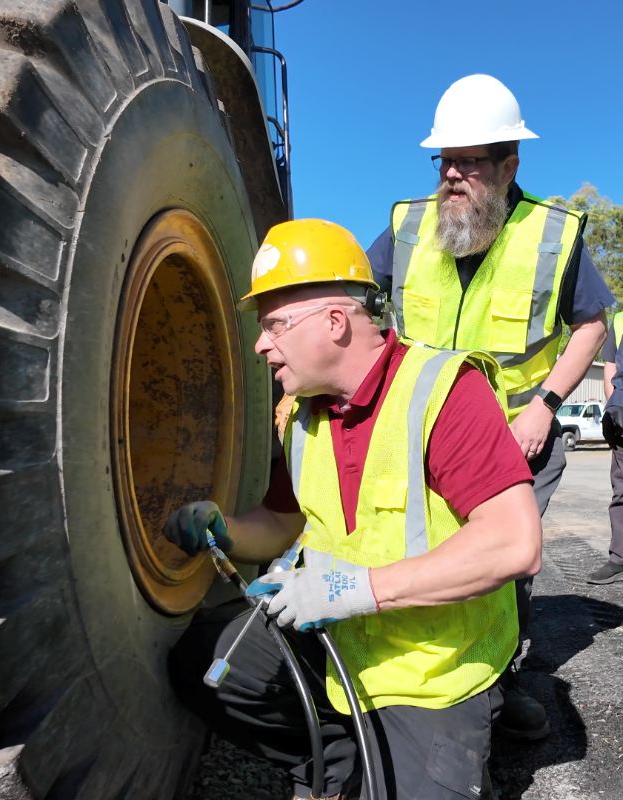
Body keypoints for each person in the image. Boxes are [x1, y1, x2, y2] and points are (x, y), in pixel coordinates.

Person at [166, 219, 542, 800]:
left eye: (273, 325)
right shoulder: (298, 414)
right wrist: (226, 529)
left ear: (335, 322)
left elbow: (514, 543)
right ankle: (337, 764)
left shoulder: (444, 391)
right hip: (340, 637)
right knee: (205, 667)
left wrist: (352, 590)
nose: (262, 344)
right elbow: (281, 522)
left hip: (428, 670)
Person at [366, 74, 613, 740]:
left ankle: (500, 688)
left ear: (509, 166)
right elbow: (359, 300)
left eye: (469, 162)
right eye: (444, 161)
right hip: (421, 433)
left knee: (504, 566)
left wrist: (546, 405)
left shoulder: (552, 235)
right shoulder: (410, 228)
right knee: (418, 548)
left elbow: (592, 322)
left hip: (517, 433)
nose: (452, 175)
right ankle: (411, 680)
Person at [591, 311, 623, 583]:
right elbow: (610, 366)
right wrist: (612, 407)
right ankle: (619, 558)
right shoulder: (621, 320)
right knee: (621, 490)